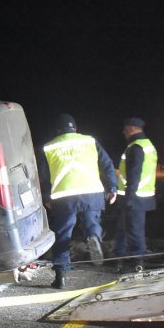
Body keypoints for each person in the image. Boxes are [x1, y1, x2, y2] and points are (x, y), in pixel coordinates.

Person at [39, 114, 118, 288]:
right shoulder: (90, 141)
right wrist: (112, 187)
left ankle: (61, 275)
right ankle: (92, 237)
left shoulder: (49, 147)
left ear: (58, 130)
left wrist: (46, 196)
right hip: (91, 192)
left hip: (64, 196)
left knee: (63, 233)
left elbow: (43, 176)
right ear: (75, 128)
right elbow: (107, 164)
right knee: (92, 222)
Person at [114, 117, 157, 272]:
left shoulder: (136, 147)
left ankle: (136, 263)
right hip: (141, 196)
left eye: (125, 128)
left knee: (133, 231)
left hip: (135, 197)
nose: (123, 131)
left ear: (131, 128)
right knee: (124, 229)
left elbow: (134, 175)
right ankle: (120, 259)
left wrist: (129, 198)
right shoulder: (146, 145)